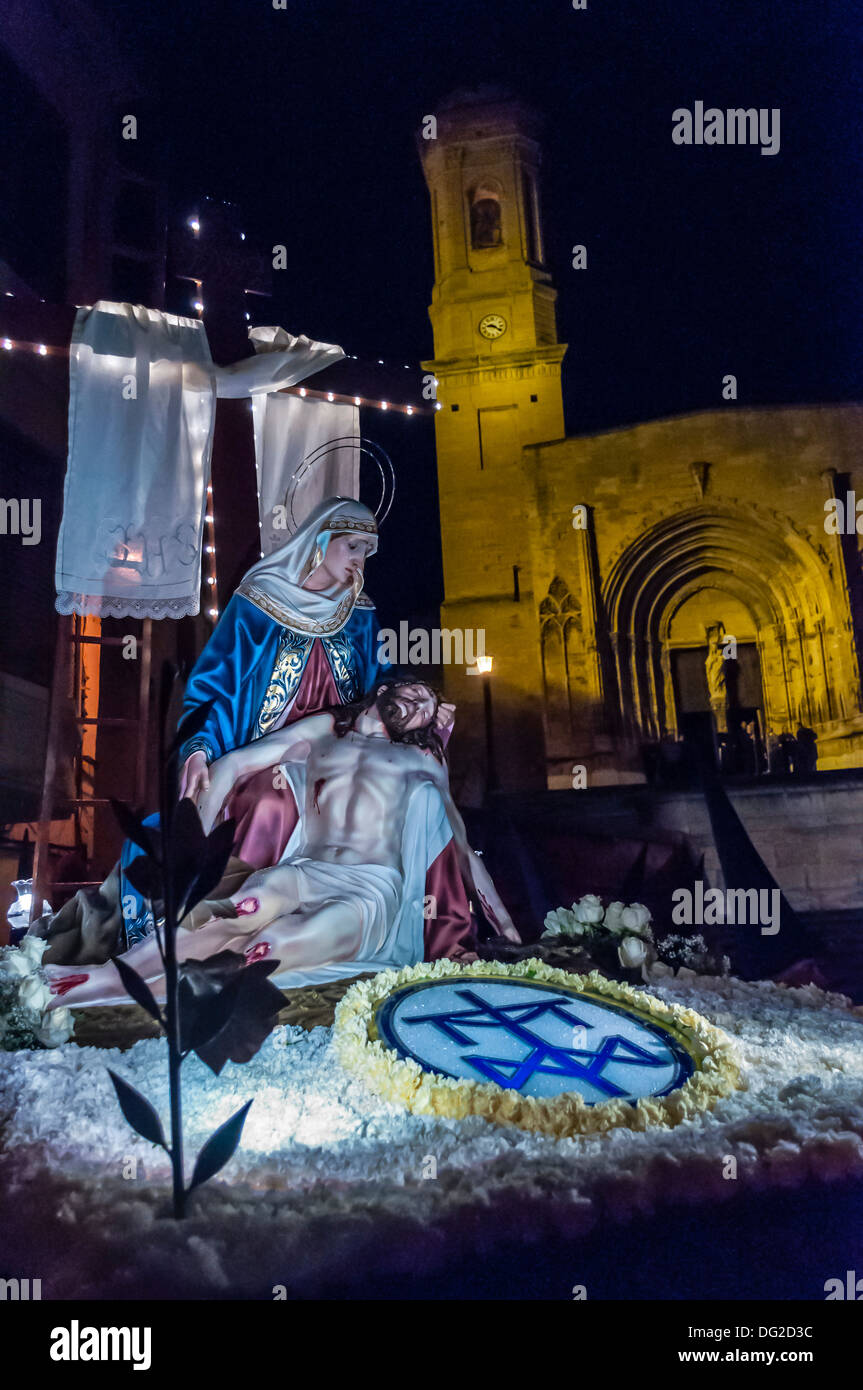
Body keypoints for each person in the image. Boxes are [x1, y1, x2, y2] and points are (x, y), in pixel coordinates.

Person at [45, 680, 519, 1008]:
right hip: (303, 869)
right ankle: (105, 976)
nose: (418, 707)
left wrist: (508, 928)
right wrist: (190, 846)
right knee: (241, 909)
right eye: (417, 694)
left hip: (368, 892)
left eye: (427, 711)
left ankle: (126, 998)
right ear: (384, 690)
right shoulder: (323, 734)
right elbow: (237, 764)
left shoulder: (418, 760)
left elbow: (461, 847)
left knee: (267, 947)